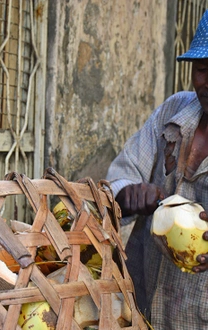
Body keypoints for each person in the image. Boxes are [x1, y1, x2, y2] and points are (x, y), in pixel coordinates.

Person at [106, 9, 208, 330]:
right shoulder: (174, 111)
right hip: (144, 306)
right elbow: (118, 178)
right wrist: (126, 193)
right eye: (203, 69)